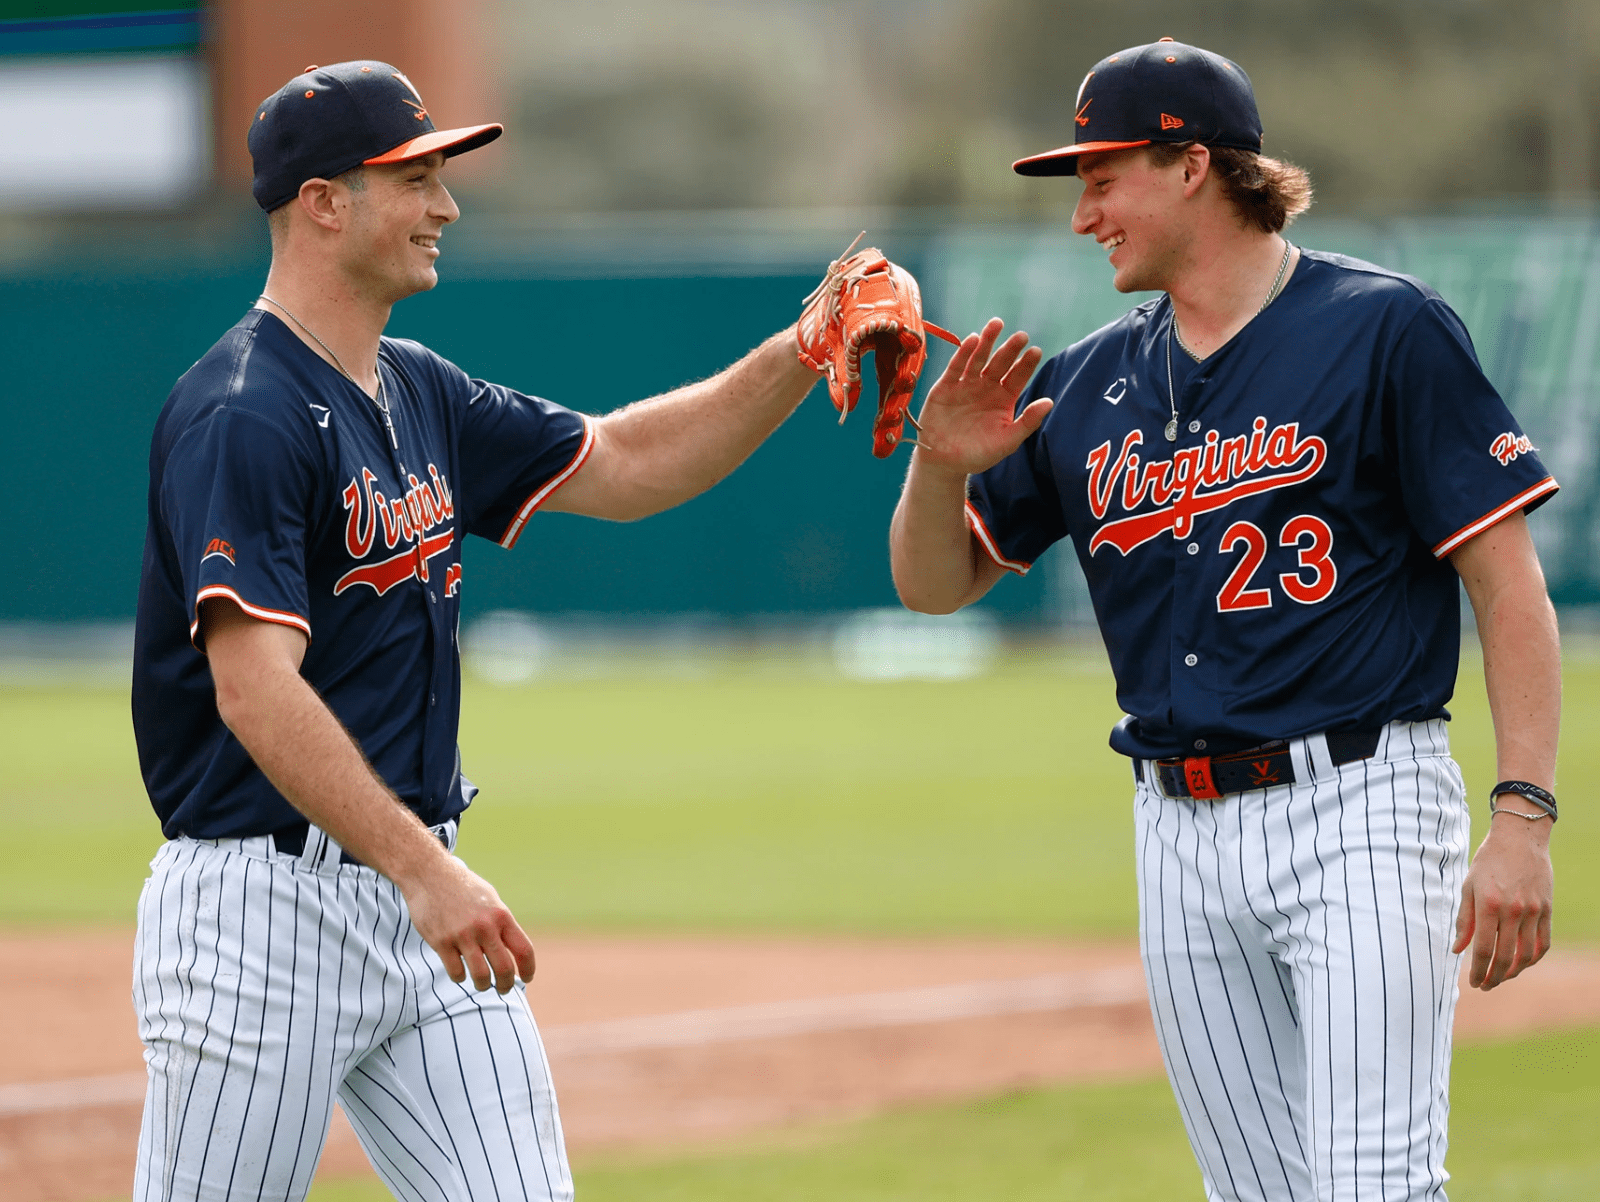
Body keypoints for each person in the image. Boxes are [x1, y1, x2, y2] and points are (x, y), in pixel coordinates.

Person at [130, 60, 824, 1202]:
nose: (446, 205)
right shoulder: (240, 411)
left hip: (418, 899)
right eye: (417, 177)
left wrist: (802, 348)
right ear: (323, 201)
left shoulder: (416, 387)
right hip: (261, 914)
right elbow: (254, 690)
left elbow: (630, 460)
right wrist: (423, 869)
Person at [889, 38, 1560, 1202]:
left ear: (1191, 164)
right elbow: (933, 585)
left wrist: (1524, 814)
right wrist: (937, 468)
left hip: (1359, 803)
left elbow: (1508, 584)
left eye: (1102, 179)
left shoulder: (1383, 328)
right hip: (1177, 832)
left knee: (1372, 1183)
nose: (1081, 214)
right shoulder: (1085, 382)